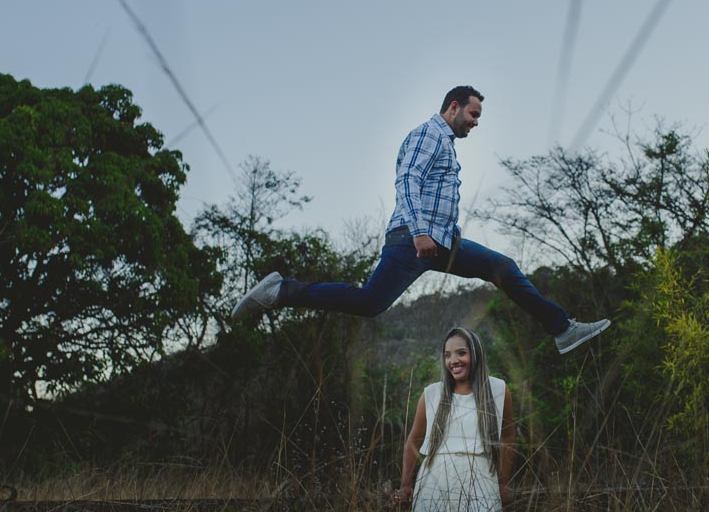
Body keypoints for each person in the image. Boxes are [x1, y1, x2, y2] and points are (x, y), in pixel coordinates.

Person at [231, 86, 610, 354]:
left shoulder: (446, 144)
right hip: (412, 241)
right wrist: (420, 231)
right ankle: (281, 291)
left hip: (443, 243)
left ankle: (561, 329)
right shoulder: (430, 134)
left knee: (503, 268)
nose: (476, 122)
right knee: (370, 302)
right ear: (454, 107)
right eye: (473, 114)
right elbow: (407, 181)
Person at [393, 327, 513, 512]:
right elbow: (414, 440)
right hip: (436, 479)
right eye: (447, 355)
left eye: (461, 353)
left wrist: (503, 482)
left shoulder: (498, 389)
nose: (453, 360)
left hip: (482, 478)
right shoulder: (432, 393)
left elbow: (507, 437)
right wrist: (405, 484)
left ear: (476, 354)